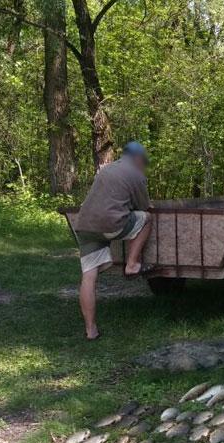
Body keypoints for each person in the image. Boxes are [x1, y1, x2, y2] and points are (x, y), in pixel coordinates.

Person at [69, 141, 155, 340]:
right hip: (110, 224)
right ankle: (132, 264)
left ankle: (91, 330)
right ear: (138, 158)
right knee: (146, 219)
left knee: (88, 277)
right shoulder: (137, 175)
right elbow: (143, 206)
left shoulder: (107, 170)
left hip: (85, 225)